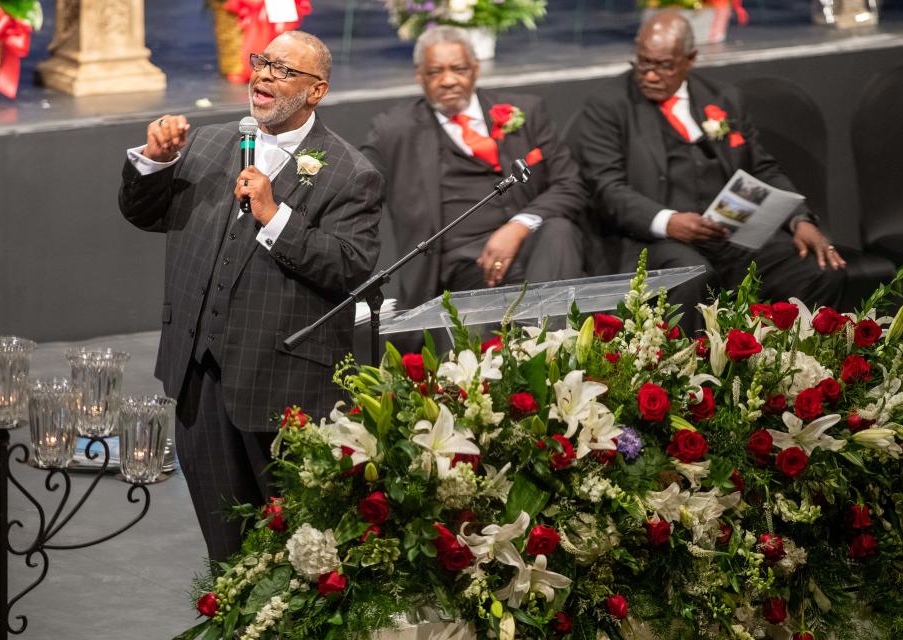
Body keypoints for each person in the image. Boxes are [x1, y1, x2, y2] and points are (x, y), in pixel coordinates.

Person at [118, 32, 383, 561]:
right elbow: (144, 213)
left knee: (296, 553)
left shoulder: (351, 172)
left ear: (316, 91)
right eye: (262, 62)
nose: (263, 75)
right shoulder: (210, 144)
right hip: (200, 377)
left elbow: (350, 265)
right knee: (226, 552)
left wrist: (275, 216)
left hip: (284, 388)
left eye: (283, 70)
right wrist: (153, 161)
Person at [567, 11, 846, 325]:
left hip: (731, 232)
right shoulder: (608, 105)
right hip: (657, 242)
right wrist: (668, 221)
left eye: (663, 66)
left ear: (690, 59)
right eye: (643, 62)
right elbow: (607, 189)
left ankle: (793, 366)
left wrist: (799, 219)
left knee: (817, 270)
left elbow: (762, 169)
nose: (650, 75)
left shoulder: (723, 98)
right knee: (692, 277)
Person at [361, 26, 587, 312]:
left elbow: (570, 184)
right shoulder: (394, 130)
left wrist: (517, 227)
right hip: (462, 265)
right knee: (535, 283)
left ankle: (544, 345)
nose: (448, 80)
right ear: (420, 76)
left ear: (476, 69)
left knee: (559, 230)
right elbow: (358, 186)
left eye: (458, 68)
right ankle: (544, 344)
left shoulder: (527, 111)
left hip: (531, 246)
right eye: (435, 72)